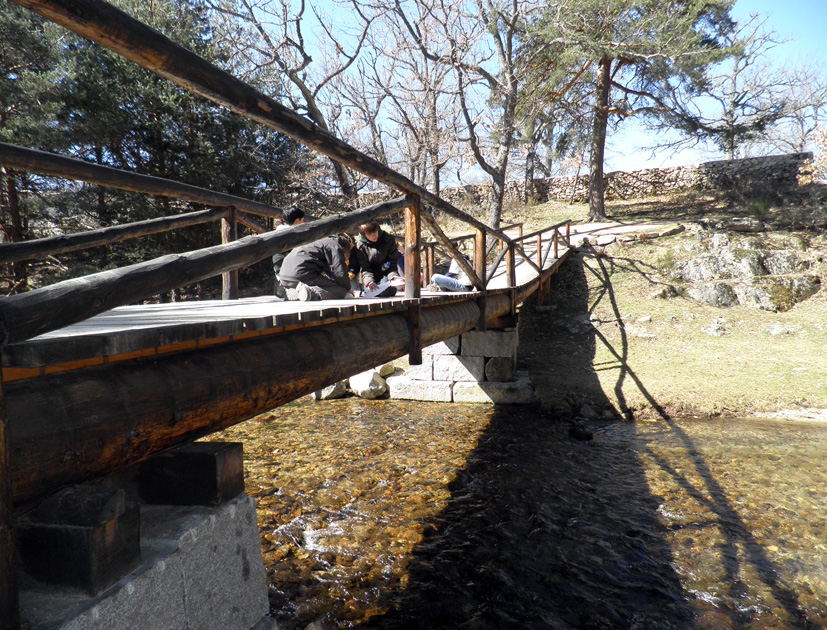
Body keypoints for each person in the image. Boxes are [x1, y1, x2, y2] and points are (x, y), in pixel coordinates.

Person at [279, 234, 354, 301]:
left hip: (284, 276)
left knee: (327, 284)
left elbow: (331, 271)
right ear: (343, 249)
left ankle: (291, 290)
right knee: (341, 291)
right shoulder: (334, 246)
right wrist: (347, 288)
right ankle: (312, 293)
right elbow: (339, 272)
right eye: (344, 258)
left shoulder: (318, 240)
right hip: (301, 273)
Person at [355, 220, 400, 298]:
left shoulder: (389, 240)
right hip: (371, 275)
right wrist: (369, 281)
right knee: (370, 291)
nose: (373, 236)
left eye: (375, 232)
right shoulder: (361, 246)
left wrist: (393, 277)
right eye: (369, 234)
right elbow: (365, 268)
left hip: (386, 274)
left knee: (386, 291)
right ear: (364, 235)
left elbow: (392, 263)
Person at [273, 206, 306, 298]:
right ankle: (294, 288)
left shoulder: (279, 229)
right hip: (290, 268)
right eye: (302, 220)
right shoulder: (295, 233)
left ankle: (287, 288)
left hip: (278, 268)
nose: (303, 223)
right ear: (297, 221)